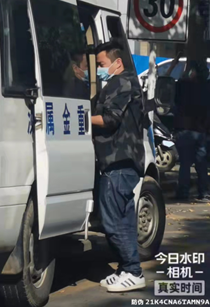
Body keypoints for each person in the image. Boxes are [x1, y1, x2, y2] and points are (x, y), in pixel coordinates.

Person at [91, 40, 146, 293]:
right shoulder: (120, 83)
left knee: (112, 221)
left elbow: (110, 119)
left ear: (118, 63)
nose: (99, 69)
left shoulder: (121, 83)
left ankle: (134, 271)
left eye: (101, 64)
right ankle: (126, 269)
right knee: (123, 220)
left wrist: (82, 117)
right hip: (119, 162)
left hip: (119, 161)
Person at [174, 61, 210, 202]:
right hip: (200, 130)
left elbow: (175, 95)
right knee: (201, 164)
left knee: (185, 164)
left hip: (186, 129)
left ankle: (183, 192)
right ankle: (204, 192)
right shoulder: (206, 88)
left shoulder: (184, 86)